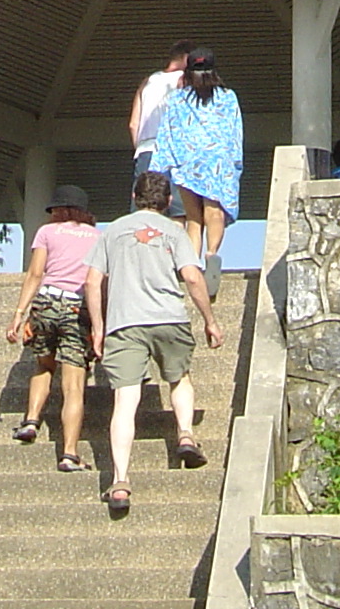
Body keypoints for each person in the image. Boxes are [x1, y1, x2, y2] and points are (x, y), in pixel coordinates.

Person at [86, 169, 222, 517]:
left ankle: (119, 480)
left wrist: (98, 327)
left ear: (134, 197)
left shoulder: (112, 231)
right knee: (179, 377)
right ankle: (187, 434)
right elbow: (192, 276)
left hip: (125, 322)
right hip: (169, 317)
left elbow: (92, 281)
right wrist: (209, 320)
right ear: (166, 202)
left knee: (125, 400)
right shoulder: (175, 233)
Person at [4, 182, 100, 471]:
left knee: (43, 365)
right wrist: (99, 325)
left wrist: (19, 314)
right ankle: (69, 453)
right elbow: (99, 283)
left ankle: (31, 421)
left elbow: (35, 273)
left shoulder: (47, 232)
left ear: (58, 209)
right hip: (76, 307)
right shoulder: (98, 237)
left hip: (46, 303)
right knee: (73, 388)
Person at [153, 46, 242, 292]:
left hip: (186, 161)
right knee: (214, 212)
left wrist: (158, 169)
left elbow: (167, 134)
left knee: (193, 217)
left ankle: (190, 263)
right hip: (218, 161)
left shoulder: (177, 99)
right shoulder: (228, 96)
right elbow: (236, 131)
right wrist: (236, 164)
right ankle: (212, 254)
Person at [128, 43, 192, 180]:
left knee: (147, 198)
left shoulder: (147, 82)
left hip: (145, 151)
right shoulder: (184, 81)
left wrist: (140, 148)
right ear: (186, 57)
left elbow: (133, 124)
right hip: (174, 151)